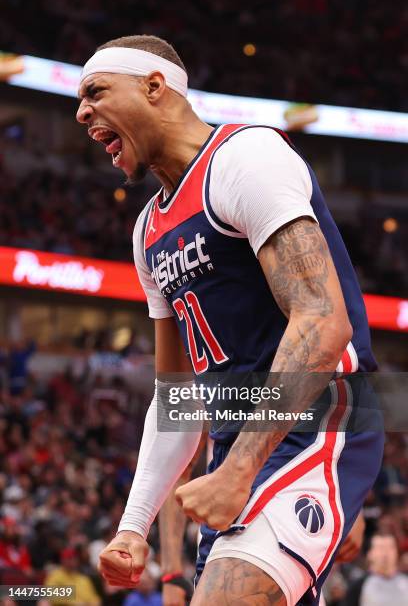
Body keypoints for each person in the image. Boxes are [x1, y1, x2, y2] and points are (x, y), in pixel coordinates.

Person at [76, 35, 384, 605]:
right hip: (237, 451)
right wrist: (132, 525)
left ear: (153, 87)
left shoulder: (245, 157)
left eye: (95, 91)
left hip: (316, 425)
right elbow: (178, 399)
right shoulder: (148, 233)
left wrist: (240, 469)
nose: (81, 111)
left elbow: (323, 320)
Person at [341, 531, 408, 605]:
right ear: (369, 554)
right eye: (381, 548)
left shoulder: (405, 581)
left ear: (397, 552)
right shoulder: (358, 586)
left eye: (390, 547)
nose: (386, 552)